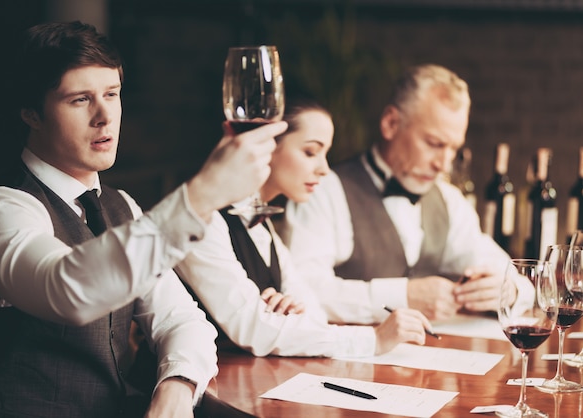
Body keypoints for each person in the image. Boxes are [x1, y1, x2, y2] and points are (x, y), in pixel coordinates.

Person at [0, 21, 287, 418]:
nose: (104, 116)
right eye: (80, 100)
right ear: (31, 113)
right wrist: (204, 193)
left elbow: (182, 320)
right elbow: (67, 290)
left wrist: (176, 389)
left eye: (111, 94)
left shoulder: (122, 206)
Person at [174, 95, 433, 358]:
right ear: (266, 147)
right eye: (310, 152)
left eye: (325, 154)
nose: (324, 169)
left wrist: (291, 312)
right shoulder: (203, 222)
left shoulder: (264, 228)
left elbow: (314, 313)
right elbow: (252, 328)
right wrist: (373, 340)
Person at [279, 64, 533, 325]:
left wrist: (508, 291)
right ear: (391, 124)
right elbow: (303, 290)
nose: (444, 165)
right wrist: (402, 296)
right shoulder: (324, 189)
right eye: (434, 144)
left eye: (453, 149)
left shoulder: (449, 200)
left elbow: (515, 278)